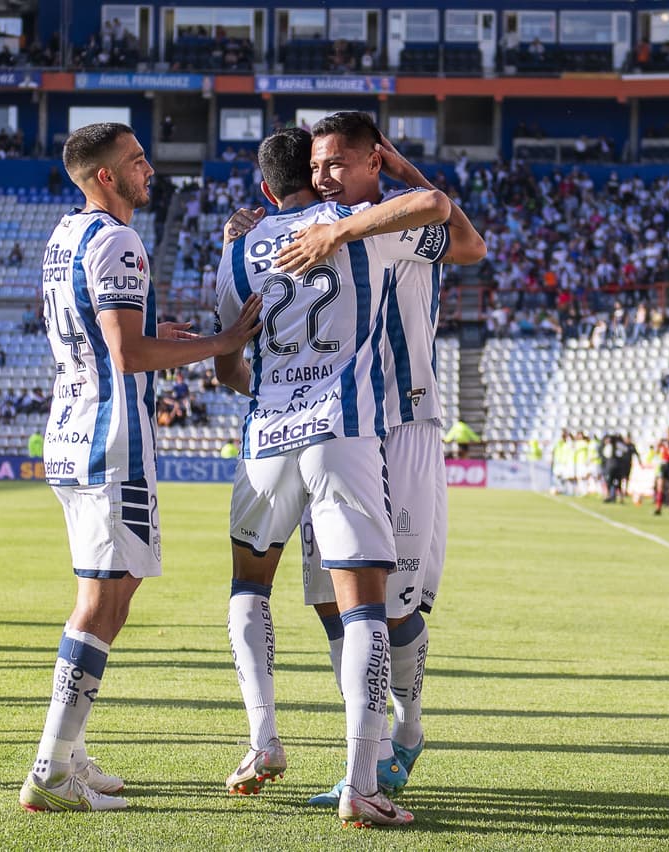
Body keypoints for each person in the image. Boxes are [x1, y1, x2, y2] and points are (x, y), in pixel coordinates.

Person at [223, 111, 486, 809]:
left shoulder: (388, 223)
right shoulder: (314, 232)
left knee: (391, 605)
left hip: (403, 420)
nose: (322, 177)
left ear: (375, 161)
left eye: (337, 163)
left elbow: (467, 241)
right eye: (314, 166)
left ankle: (405, 731)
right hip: (343, 429)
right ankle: (362, 763)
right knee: (328, 599)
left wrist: (392, 185)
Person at [19, 122, 262, 814]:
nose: (149, 168)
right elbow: (124, 354)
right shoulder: (119, 240)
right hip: (111, 437)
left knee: (109, 595)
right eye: (135, 160)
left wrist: (164, 336)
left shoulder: (68, 234)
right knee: (103, 601)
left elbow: (107, 337)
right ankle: (50, 766)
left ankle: (69, 753)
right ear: (105, 177)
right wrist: (220, 341)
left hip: (70, 432)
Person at [652, 427, 669, 514]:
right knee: (660, 486)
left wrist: (668, 447)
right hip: (663, 465)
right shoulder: (664, 442)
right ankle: (658, 507)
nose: (668, 435)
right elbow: (656, 451)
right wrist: (658, 444)